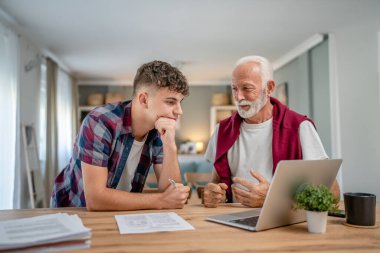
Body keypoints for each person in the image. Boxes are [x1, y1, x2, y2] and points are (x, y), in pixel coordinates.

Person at [51, 60, 190, 211]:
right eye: (171, 102)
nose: (179, 111)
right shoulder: (100, 121)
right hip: (73, 211)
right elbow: (95, 200)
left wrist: (170, 145)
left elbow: (171, 193)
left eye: (180, 102)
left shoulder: (158, 130)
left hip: (119, 211)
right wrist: (161, 201)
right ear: (144, 99)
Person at [203, 55, 340, 208]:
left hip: (284, 223)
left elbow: (333, 194)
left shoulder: (300, 127)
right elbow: (216, 181)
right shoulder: (221, 130)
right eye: (234, 89)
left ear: (269, 88)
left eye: (247, 88)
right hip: (231, 221)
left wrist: (272, 199)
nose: (239, 97)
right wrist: (212, 193)